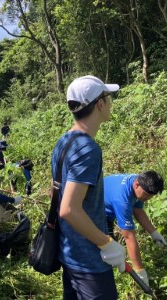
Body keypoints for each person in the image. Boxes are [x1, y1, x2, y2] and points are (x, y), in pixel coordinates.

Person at [51, 75, 125, 299]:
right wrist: (107, 243)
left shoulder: (64, 141)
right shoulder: (87, 149)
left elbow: (54, 192)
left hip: (69, 253)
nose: (110, 103)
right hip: (89, 261)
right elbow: (69, 209)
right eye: (108, 98)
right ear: (100, 104)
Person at [104, 170, 166, 287]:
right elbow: (128, 237)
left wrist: (154, 233)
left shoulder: (138, 182)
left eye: (151, 196)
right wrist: (140, 271)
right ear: (136, 184)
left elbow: (138, 210)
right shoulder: (122, 199)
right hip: (95, 215)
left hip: (105, 210)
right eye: (147, 195)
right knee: (108, 254)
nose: (148, 199)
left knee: (112, 252)